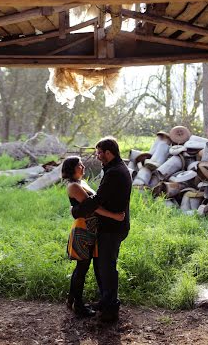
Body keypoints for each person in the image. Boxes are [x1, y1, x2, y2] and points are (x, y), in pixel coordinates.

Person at [71, 137, 132, 322]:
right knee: (103, 266)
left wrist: (76, 211)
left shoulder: (115, 172)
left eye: (99, 153)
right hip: (112, 226)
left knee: (107, 268)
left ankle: (111, 308)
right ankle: (106, 303)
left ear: (108, 152)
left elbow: (97, 200)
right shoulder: (115, 169)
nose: (97, 157)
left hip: (112, 228)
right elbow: (100, 198)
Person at [61, 155, 125, 318]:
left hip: (91, 229)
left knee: (83, 267)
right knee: (81, 268)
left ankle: (72, 300)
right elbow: (93, 207)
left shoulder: (82, 183)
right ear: (71, 168)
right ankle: (78, 306)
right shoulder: (73, 186)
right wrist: (113, 216)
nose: (82, 167)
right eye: (79, 165)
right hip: (83, 230)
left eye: (82, 164)